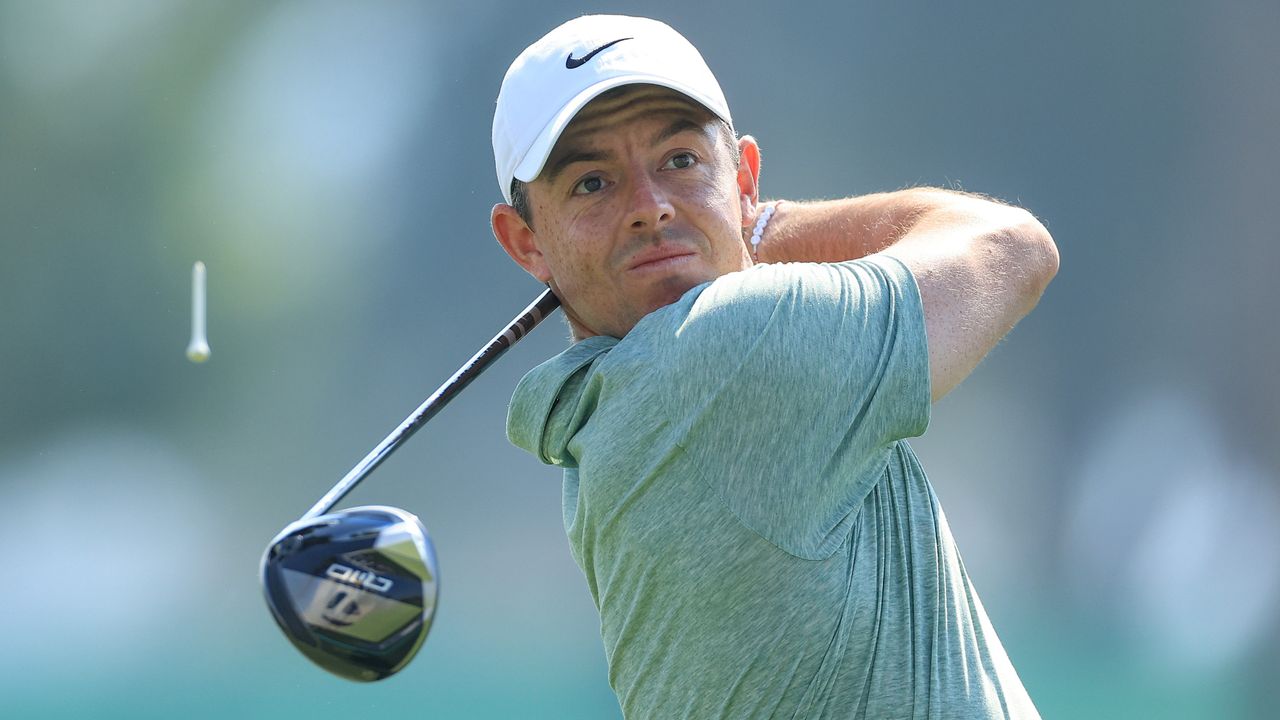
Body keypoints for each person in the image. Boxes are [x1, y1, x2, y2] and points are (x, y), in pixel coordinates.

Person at [489, 15, 1058, 720]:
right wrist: (753, 226)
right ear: (525, 242)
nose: (650, 208)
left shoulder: (591, 414)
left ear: (744, 174)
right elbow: (1012, 247)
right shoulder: (725, 351)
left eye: (680, 161)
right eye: (593, 182)